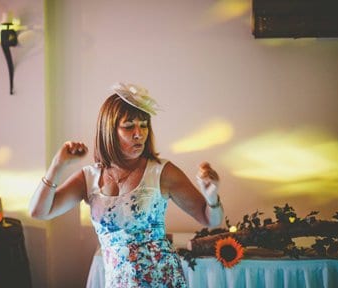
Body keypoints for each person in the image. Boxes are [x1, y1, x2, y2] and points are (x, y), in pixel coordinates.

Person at [28, 83, 223, 287]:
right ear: (109, 130)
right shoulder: (89, 177)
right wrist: (57, 166)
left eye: (144, 125)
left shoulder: (161, 171)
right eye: (129, 126)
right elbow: (39, 212)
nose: (139, 133)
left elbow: (210, 219)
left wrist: (212, 198)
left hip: (163, 281)